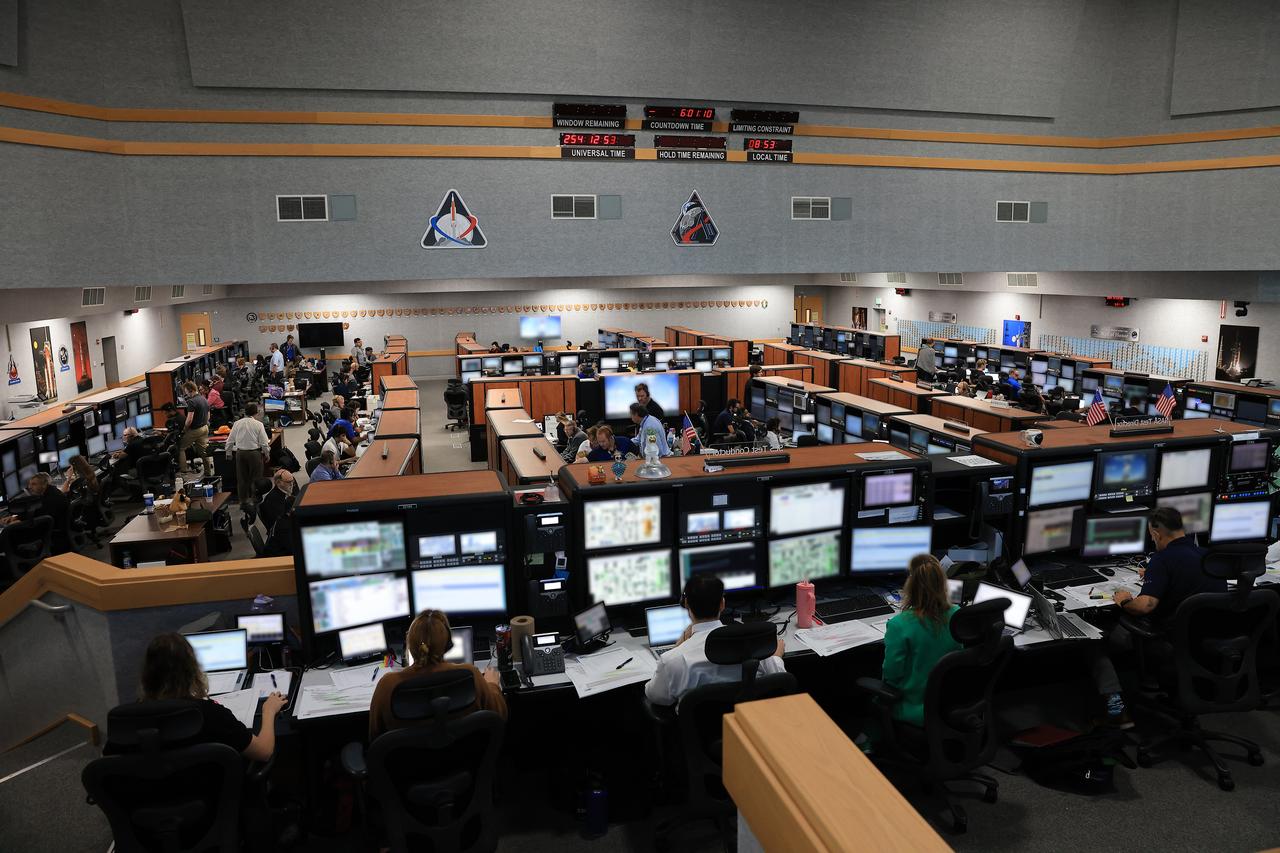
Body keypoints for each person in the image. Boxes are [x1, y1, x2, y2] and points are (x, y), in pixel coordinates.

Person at [104, 633, 285, 762]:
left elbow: (107, 767)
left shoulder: (126, 720)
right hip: (211, 802)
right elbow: (264, 752)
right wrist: (268, 711)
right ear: (192, 671)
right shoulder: (210, 713)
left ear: (146, 674)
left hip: (144, 805)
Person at [645, 575, 785, 707]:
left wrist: (677, 648)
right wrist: (776, 657)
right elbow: (780, 681)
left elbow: (655, 696)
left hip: (697, 731)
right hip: (742, 725)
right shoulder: (755, 645)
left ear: (687, 604)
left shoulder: (673, 660)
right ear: (722, 604)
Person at [369, 609, 507, 739]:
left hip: (409, 763)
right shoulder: (470, 674)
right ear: (448, 645)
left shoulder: (388, 684)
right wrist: (492, 685)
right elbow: (498, 717)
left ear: (409, 645)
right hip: (465, 760)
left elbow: (375, 736)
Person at [879, 554, 961, 726]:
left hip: (912, 710)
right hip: (951, 705)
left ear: (911, 585)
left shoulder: (899, 625)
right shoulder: (957, 615)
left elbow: (891, 676)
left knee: (873, 702)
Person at [1113, 507, 1221, 620]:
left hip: (1178, 631)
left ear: (1157, 535)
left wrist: (1124, 600)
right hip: (1215, 629)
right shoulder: (1209, 555)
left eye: (1152, 536)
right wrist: (1155, 575)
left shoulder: (1162, 558)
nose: (1152, 539)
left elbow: (1146, 606)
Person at [225, 403, 271, 505]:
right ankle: (255, 499)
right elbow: (264, 442)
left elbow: (230, 440)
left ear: (244, 412)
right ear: (257, 412)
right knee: (256, 478)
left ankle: (243, 501)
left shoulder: (237, 423)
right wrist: (267, 453)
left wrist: (228, 452)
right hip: (254, 453)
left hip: (240, 453)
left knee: (241, 479)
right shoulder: (259, 424)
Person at [26, 472, 71, 554]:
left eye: (34, 484)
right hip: (63, 530)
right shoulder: (52, 492)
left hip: (56, 534)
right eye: (30, 484)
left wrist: (21, 520)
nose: (29, 487)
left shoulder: (51, 499)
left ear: (44, 485)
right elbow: (38, 510)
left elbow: (40, 516)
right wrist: (17, 517)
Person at [176, 381, 211, 475]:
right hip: (204, 428)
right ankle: (208, 471)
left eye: (185, 391)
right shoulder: (203, 398)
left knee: (181, 447)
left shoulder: (191, 402)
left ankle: (183, 470)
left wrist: (184, 430)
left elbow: (189, 420)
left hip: (195, 430)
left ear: (188, 389)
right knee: (204, 451)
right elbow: (208, 416)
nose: (185, 393)